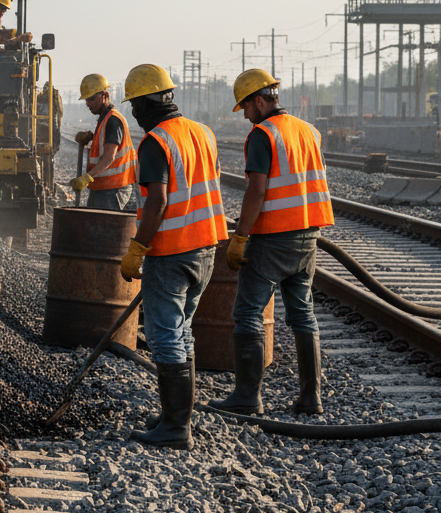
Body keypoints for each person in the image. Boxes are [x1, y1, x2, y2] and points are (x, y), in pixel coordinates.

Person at [211, 69, 333, 416]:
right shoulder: (309, 130)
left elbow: (257, 190)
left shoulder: (263, 134)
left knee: (247, 312)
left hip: (274, 237)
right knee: (303, 314)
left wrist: (240, 236)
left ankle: (247, 398)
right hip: (308, 234)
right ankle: (311, 398)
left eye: (245, 108)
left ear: (259, 101)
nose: (245, 115)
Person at [118, 63, 226, 449]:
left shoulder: (156, 142)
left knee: (165, 337)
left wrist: (138, 247)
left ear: (149, 103)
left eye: (135, 105)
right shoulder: (203, 132)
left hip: (172, 252)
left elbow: (158, 201)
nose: (134, 113)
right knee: (182, 332)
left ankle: (176, 429)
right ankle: (176, 416)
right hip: (206, 247)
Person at [71, 73, 138, 211]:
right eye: (86, 99)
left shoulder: (113, 120)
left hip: (114, 190)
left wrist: (87, 177)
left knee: (106, 225)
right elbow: (103, 147)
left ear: (105, 95)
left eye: (91, 99)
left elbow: (109, 156)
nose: (87, 103)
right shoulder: (104, 118)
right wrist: (90, 138)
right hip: (103, 188)